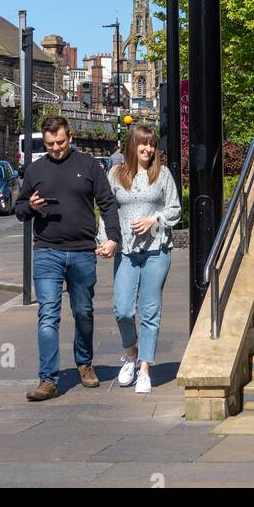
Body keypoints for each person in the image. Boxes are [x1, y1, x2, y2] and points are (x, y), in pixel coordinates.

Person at [16, 113, 121, 401]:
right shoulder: (35, 170)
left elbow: (108, 204)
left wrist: (112, 238)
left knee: (84, 312)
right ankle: (47, 379)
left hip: (82, 252)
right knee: (48, 314)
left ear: (70, 138)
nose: (56, 148)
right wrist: (32, 207)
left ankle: (84, 363)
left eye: (60, 142)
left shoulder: (89, 165)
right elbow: (19, 210)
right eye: (50, 144)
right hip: (46, 251)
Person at [96, 123, 181, 393]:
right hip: (126, 251)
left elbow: (175, 210)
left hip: (157, 249)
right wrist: (105, 241)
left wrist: (154, 220)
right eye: (143, 143)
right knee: (122, 309)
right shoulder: (116, 174)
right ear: (132, 145)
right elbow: (107, 210)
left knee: (149, 310)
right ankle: (131, 354)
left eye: (152, 144)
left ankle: (145, 368)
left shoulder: (162, 174)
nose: (148, 148)